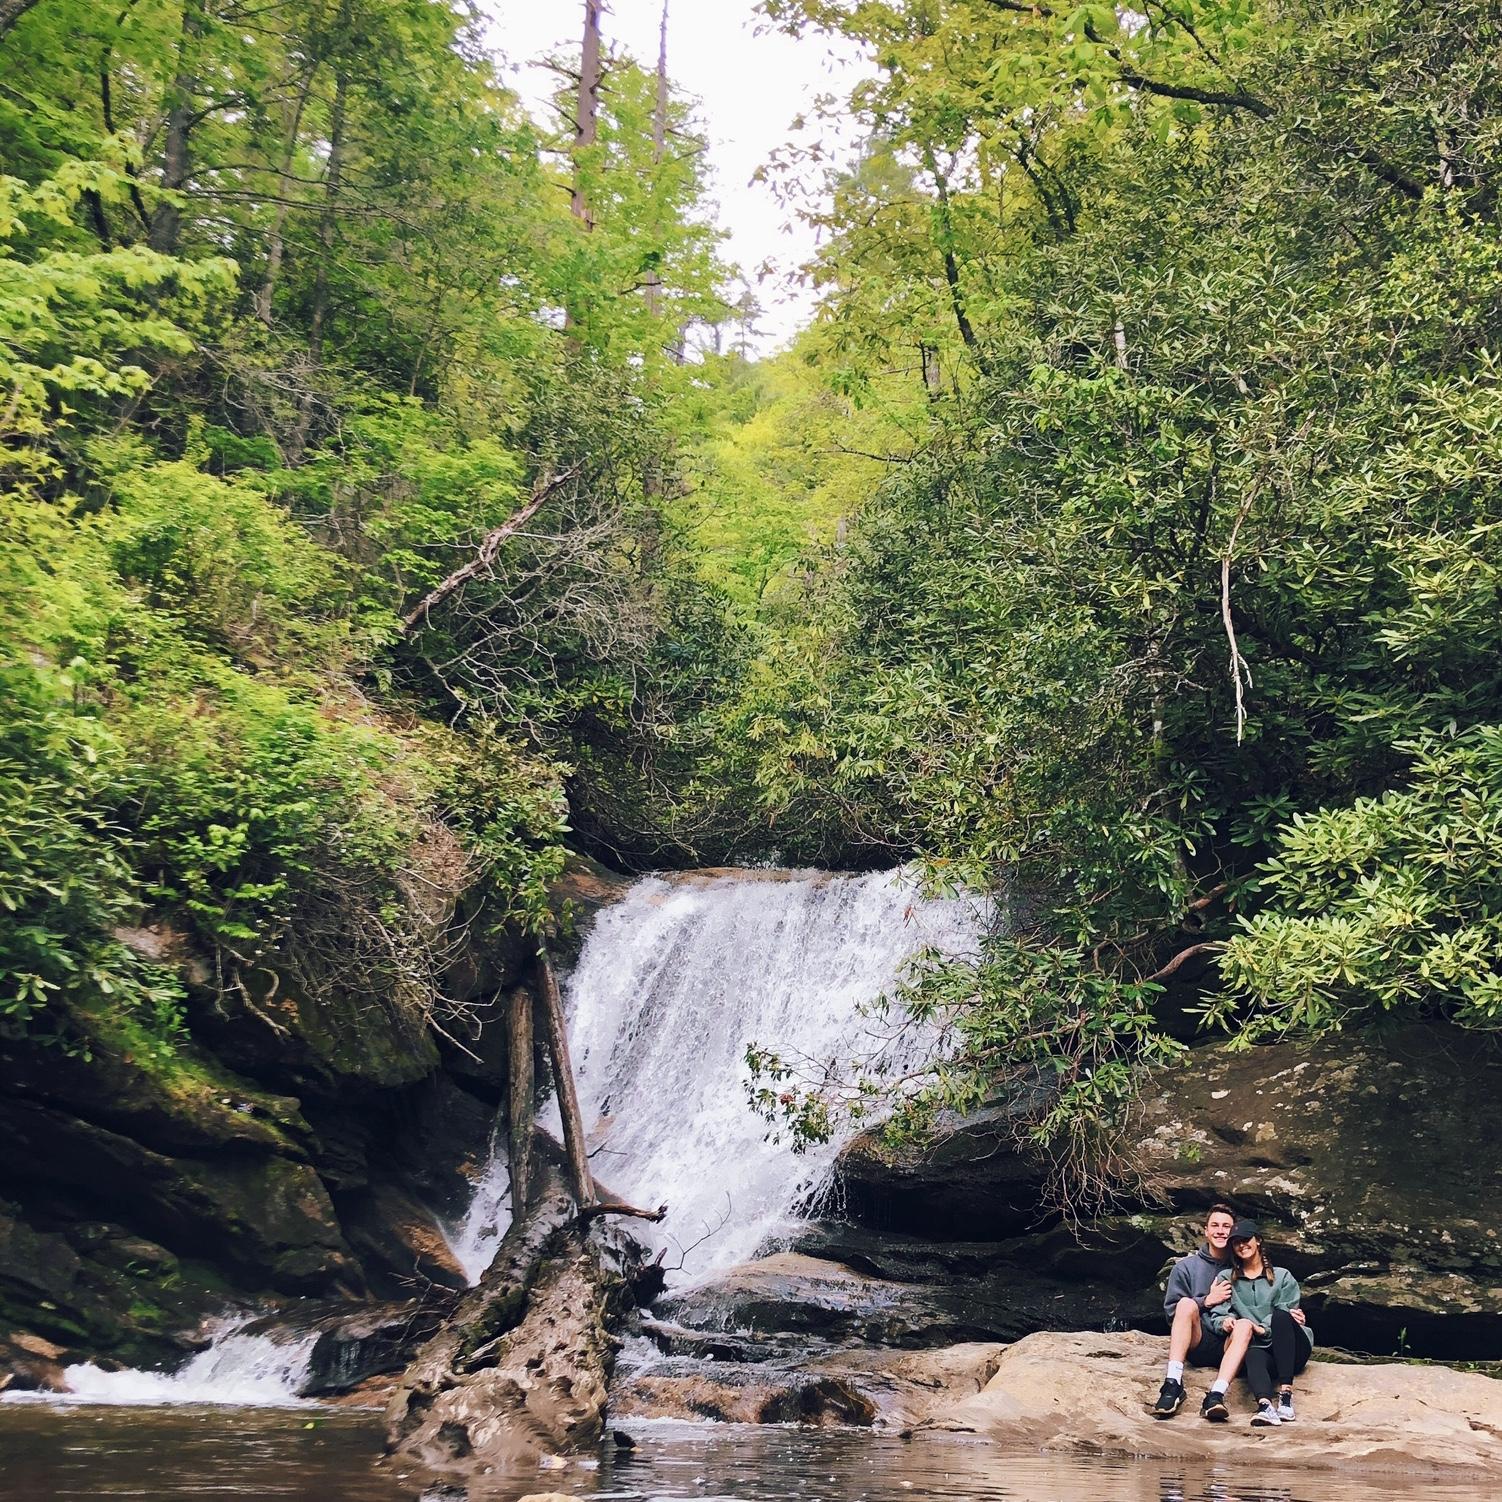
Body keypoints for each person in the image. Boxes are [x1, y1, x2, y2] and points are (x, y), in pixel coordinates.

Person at [1204, 1218, 1314, 1426]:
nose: (1241, 1245)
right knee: (1253, 1353)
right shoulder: (1227, 1277)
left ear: (1258, 1240)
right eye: (1236, 1242)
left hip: (1291, 1349)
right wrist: (1225, 1322)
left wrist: (1261, 1328)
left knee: (1281, 1316)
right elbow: (1218, 1312)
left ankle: (1286, 1397)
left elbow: (1287, 1311)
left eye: (1246, 1239)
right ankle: (1265, 1407)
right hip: (1260, 1348)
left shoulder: (1282, 1276)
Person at [1148, 1203, 1237, 1418]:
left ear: (1234, 1232)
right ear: (1206, 1231)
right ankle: (1173, 1383)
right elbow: (1173, 1314)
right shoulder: (1185, 1267)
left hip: (1232, 1343)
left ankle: (1216, 1396)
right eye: (1215, 1225)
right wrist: (1207, 1300)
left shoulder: (1244, 1266)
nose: (1220, 1231)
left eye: (1226, 1226)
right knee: (1186, 1304)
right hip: (1198, 1342)